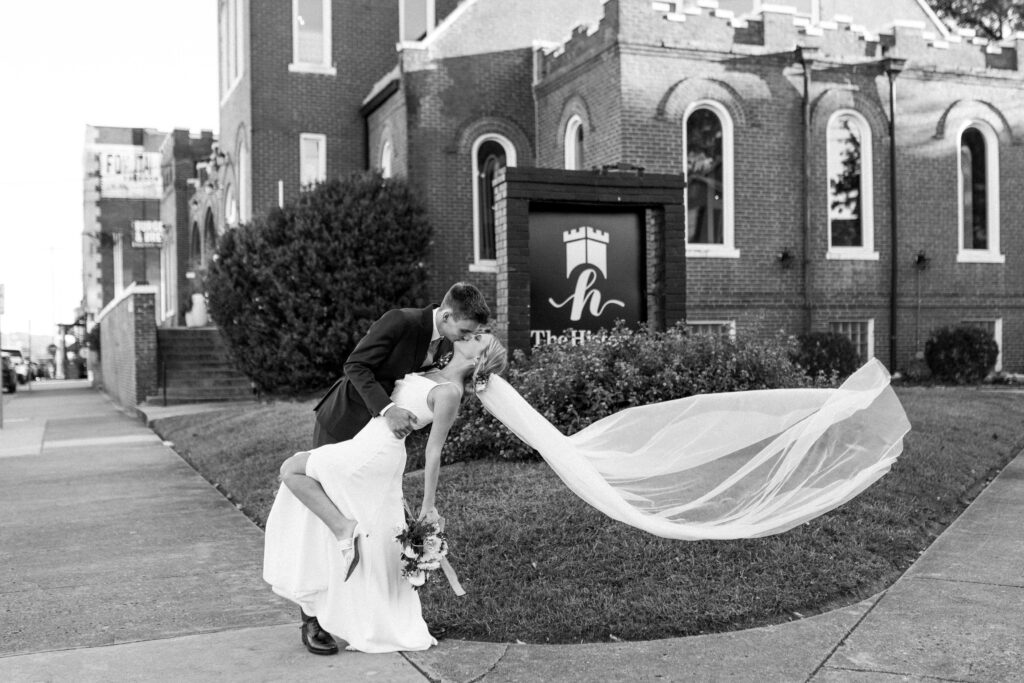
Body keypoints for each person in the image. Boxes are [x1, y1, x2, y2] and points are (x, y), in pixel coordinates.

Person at [263, 334, 508, 654]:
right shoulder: (434, 369)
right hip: (366, 445)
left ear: (478, 359)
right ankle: (343, 557)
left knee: (291, 470)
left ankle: (341, 529)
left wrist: (428, 505)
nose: (469, 334)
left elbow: (434, 452)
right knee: (365, 533)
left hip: (374, 454)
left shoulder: (449, 391)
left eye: (477, 338)